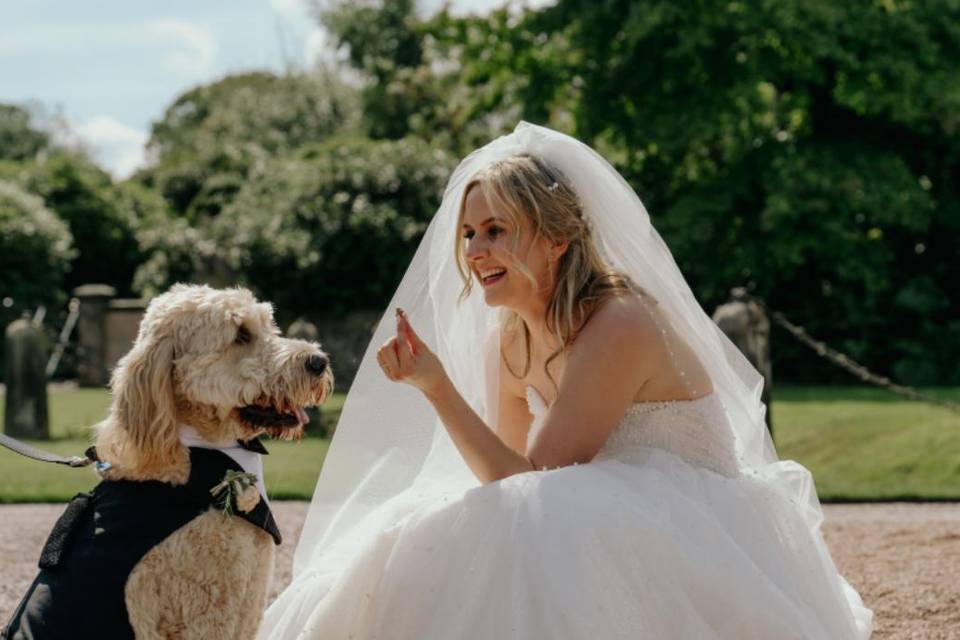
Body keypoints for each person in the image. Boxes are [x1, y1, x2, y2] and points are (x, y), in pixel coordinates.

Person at [258, 122, 873, 639]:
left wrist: (441, 387)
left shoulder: (620, 320)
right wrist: (432, 383)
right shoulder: (513, 333)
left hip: (687, 515)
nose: (474, 251)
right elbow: (505, 475)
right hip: (588, 504)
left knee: (544, 517)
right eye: (469, 233)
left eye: (496, 230)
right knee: (418, 531)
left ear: (556, 239)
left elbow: (545, 470)